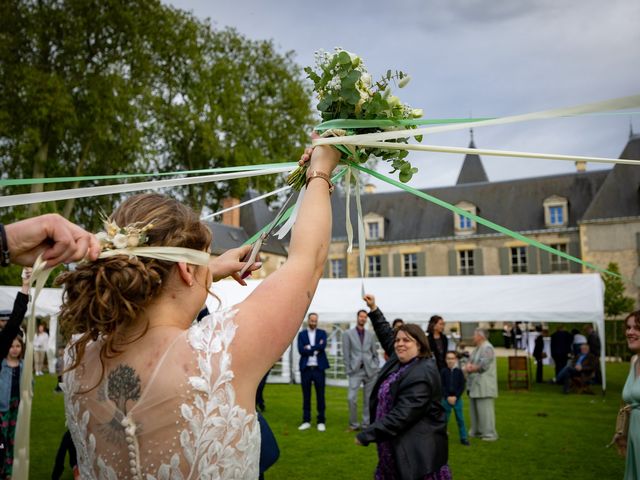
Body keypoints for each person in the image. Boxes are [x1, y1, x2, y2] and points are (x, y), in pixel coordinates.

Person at [57, 140, 340, 478]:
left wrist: (209, 268)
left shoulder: (78, 358)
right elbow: (307, 261)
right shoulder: (220, 353)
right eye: (204, 259)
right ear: (186, 270)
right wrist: (321, 167)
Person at [356, 294, 450, 480]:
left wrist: (368, 434)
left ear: (420, 345)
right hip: (394, 444)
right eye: (398, 340)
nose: (399, 344)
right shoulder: (401, 360)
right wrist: (374, 308)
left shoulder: (422, 373)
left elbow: (403, 414)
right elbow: (385, 332)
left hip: (417, 453)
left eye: (406, 340)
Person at [343, 309, 379, 431]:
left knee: (368, 399)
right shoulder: (348, 334)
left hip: (370, 370)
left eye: (365, 317)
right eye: (361, 316)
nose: (363, 319)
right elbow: (346, 353)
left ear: (366, 319)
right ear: (357, 318)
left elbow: (374, 353)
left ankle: (366, 424)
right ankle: (353, 424)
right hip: (355, 370)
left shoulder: (371, 334)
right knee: (351, 398)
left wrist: (376, 366)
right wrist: (348, 369)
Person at [464, 328, 498, 441]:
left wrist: (470, 368)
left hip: (484, 384)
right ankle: (476, 430)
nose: (473, 337)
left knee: (485, 410)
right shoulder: (477, 348)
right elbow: (470, 360)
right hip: (475, 384)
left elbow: (484, 364)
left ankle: (489, 433)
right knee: (475, 410)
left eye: (474, 335)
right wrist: (468, 365)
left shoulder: (487, 347)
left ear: (480, 336)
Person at [297, 312, 329, 431]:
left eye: (315, 321)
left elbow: (323, 346)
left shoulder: (322, 333)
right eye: (312, 321)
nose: (313, 323)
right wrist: (316, 348)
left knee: (320, 395)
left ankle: (321, 421)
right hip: (306, 369)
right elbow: (300, 350)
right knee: (306, 396)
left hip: (319, 369)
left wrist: (309, 347)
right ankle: (306, 420)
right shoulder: (301, 334)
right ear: (308, 320)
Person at [0, 336, 24, 478]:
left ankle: (9, 469)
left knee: (13, 437)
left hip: (18, 407)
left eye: (18, 346)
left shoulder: (23, 365)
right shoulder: (2, 365)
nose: (15, 349)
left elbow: (29, 385)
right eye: (11, 346)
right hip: (3, 407)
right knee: (2, 439)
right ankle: (1, 465)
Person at [621, 310, 640, 480]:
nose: (630, 332)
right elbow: (628, 404)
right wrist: (622, 432)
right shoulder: (634, 360)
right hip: (634, 435)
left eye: (637, 328)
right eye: (628, 327)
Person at [440, 351, 469, 446]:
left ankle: (463, 438)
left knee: (460, 419)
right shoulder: (443, 372)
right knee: (444, 419)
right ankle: (441, 438)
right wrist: (447, 396)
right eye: (448, 358)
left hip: (457, 399)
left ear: (456, 360)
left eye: (452, 358)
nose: (450, 361)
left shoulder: (459, 372)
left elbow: (462, 386)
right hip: (446, 399)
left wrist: (456, 396)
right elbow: (441, 386)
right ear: (445, 360)